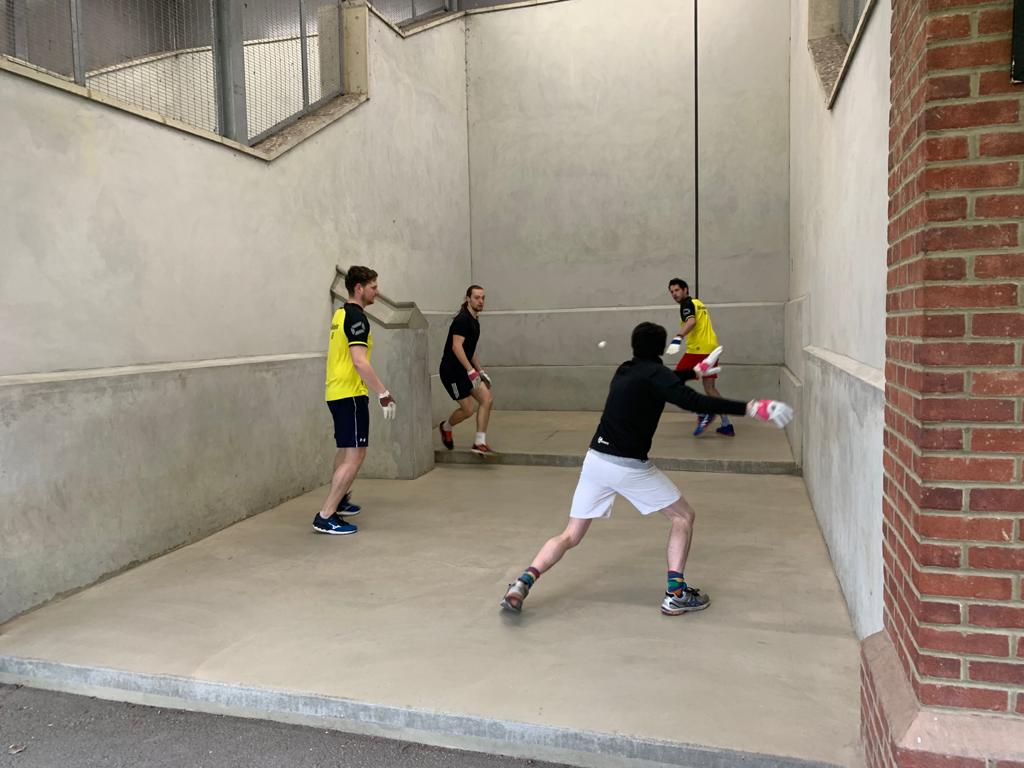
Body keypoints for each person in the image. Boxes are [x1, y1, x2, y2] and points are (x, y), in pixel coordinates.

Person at [500, 322, 792, 616]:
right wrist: (753, 408)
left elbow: (663, 381)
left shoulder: (625, 369)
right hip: (627, 466)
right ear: (661, 348)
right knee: (683, 516)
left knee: (570, 535)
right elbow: (692, 400)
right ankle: (676, 594)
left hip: (595, 460)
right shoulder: (656, 375)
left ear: (634, 345)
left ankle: (522, 583)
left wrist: (695, 371)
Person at [314, 266, 397, 535]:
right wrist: (383, 393)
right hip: (350, 393)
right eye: (373, 286)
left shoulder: (340, 314)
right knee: (356, 454)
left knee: (345, 450)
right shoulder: (357, 318)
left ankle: (339, 500)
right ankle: (326, 515)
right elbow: (359, 361)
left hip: (336, 392)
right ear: (359, 288)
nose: (377, 291)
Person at [665, 278, 733, 436]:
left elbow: (691, 322)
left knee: (674, 381)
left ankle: (704, 411)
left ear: (685, 290)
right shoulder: (698, 303)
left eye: (677, 290)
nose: (674, 294)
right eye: (672, 292)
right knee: (710, 388)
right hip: (711, 349)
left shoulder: (686, 304)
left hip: (698, 351)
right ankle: (726, 424)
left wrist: (678, 337)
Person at [437, 285, 497, 456]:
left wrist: (480, 371)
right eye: (477, 297)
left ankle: (479, 442)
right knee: (468, 410)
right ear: (468, 299)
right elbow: (456, 347)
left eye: (483, 298)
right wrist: (471, 371)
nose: (480, 301)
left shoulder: (474, 320)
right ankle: (446, 427)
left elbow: (469, 350)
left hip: (465, 370)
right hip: (452, 373)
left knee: (487, 399)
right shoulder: (462, 319)